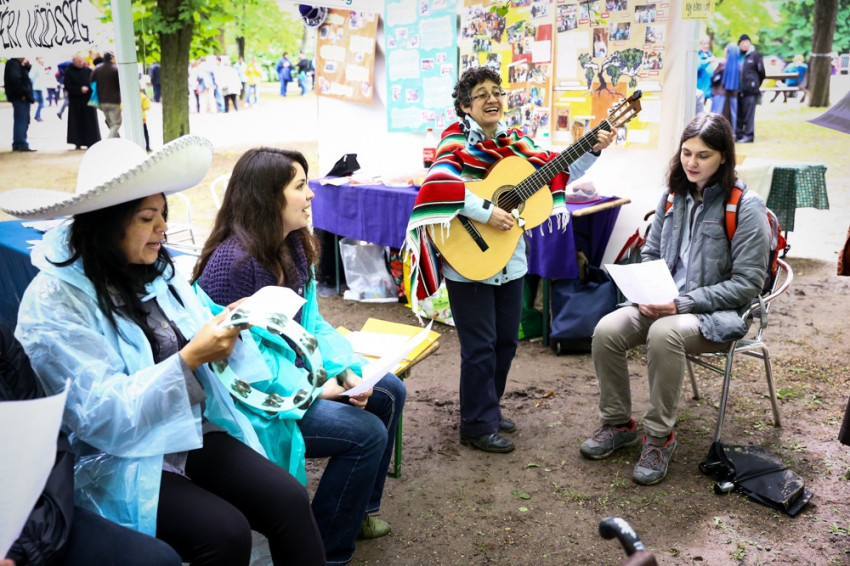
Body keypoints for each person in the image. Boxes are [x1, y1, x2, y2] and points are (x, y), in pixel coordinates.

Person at [0, 136, 326, 566]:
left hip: (186, 429)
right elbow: (99, 416)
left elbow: (197, 337)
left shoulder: (155, 271)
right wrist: (189, 359)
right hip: (113, 455)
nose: (163, 229)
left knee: (287, 498)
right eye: (147, 218)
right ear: (107, 225)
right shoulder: (55, 300)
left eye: (163, 215)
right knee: (223, 532)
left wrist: (226, 326)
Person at [193, 148, 406, 565]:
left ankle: (355, 511)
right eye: (300, 186)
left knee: (389, 391)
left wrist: (345, 370)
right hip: (254, 406)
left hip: (295, 380)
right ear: (267, 196)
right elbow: (240, 366)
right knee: (366, 434)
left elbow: (313, 323)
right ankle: (325, 549)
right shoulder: (233, 265)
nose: (311, 195)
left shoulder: (292, 245)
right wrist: (314, 389)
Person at [405, 66, 613, 454]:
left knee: (505, 342)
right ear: (465, 106)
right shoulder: (455, 142)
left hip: (509, 259)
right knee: (479, 346)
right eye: (482, 94)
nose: (492, 99)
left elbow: (558, 170)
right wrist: (486, 211)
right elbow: (438, 186)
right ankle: (476, 425)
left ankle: (488, 408)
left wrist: (593, 147)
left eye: (497, 92)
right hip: (468, 259)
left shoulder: (517, 143)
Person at [579, 113, 770, 485]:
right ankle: (618, 424)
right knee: (606, 330)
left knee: (664, 333)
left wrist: (682, 304)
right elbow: (651, 253)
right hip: (662, 303)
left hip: (714, 314)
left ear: (724, 158)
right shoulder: (673, 196)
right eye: (686, 153)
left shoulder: (745, 206)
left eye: (703, 155)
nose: (692, 163)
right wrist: (644, 290)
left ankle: (659, 436)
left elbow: (748, 284)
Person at [1, 323, 183, 566]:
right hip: (117, 455)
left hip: (37, 514)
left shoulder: (3, 341)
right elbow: (100, 415)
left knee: (161, 558)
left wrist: (28, 544)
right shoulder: (46, 314)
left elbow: (42, 440)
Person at [62, 53, 101, 150]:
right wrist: (79, 89)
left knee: (90, 122)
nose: (80, 63)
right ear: (73, 62)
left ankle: (91, 141)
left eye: (81, 61)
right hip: (75, 100)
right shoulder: (69, 71)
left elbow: (94, 83)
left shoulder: (88, 71)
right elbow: (67, 86)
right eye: (78, 62)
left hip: (87, 100)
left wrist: (88, 88)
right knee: (76, 122)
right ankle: (77, 142)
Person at [736, 34, 765, 143]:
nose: (745, 44)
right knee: (738, 114)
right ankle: (738, 134)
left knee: (749, 115)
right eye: (742, 42)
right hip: (737, 90)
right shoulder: (737, 55)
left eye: (747, 42)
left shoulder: (755, 56)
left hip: (750, 91)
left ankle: (748, 135)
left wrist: (754, 84)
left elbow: (762, 73)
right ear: (739, 44)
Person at [3, 57, 35, 152]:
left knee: (21, 120)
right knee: (22, 120)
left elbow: (22, 76)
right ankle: (21, 143)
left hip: (20, 96)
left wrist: (27, 66)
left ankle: (19, 143)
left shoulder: (16, 65)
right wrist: (22, 93)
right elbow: (15, 79)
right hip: (20, 97)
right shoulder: (14, 64)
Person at [710, 42, 740, 135]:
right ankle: (731, 133)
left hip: (720, 93)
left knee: (717, 114)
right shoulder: (739, 66)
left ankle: (714, 133)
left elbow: (713, 77)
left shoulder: (723, 64)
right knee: (732, 115)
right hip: (733, 94)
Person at [90, 52, 122, 138]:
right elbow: (120, 84)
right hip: (114, 100)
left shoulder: (97, 69)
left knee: (111, 123)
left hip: (102, 101)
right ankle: (109, 140)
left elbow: (91, 82)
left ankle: (117, 140)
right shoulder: (115, 69)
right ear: (111, 58)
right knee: (116, 123)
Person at [696, 37, 715, 113]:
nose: (706, 46)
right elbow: (697, 67)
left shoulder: (710, 55)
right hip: (700, 90)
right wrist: (707, 61)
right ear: (700, 44)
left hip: (709, 92)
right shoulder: (697, 56)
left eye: (708, 44)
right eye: (704, 44)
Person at [30, 56, 50, 122]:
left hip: (40, 88)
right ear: (37, 59)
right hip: (36, 87)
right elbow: (31, 76)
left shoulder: (41, 67)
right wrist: (30, 86)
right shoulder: (35, 66)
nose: (42, 60)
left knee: (41, 103)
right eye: (41, 58)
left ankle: (37, 116)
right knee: (36, 102)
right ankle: (36, 116)